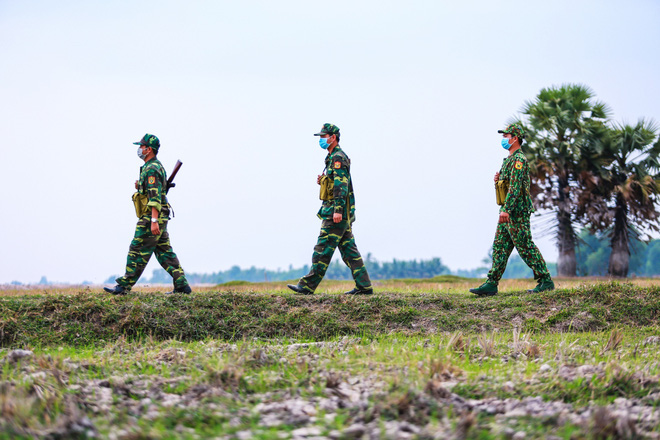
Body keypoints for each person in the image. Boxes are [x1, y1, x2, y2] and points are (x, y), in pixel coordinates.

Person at [287, 123, 373, 295]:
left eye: (323, 137)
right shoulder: (332, 157)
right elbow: (336, 182)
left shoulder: (338, 157)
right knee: (349, 250)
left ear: (333, 138)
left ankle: (306, 286)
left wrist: (338, 211)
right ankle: (364, 287)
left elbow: (342, 185)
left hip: (335, 212)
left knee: (323, 248)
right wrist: (324, 181)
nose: (321, 140)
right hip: (338, 211)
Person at [470, 123, 555, 296]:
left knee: (525, 245)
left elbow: (515, 188)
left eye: (506, 136)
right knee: (500, 246)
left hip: (516, 212)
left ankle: (545, 280)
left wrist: (506, 209)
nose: (503, 139)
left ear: (515, 139)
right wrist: (498, 180)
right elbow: (508, 185)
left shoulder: (518, 160)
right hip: (507, 211)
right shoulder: (509, 160)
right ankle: (491, 283)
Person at [104, 134, 192, 295]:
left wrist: (153, 221)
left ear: (149, 149)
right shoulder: (152, 166)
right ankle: (181, 285)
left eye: (142, 146)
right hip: (159, 216)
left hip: (152, 216)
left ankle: (124, 286)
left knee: (137, 248)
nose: (140, 149)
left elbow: (154, 197)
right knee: (163, 251)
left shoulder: (151, 168)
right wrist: (140, 187)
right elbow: (155, 190)